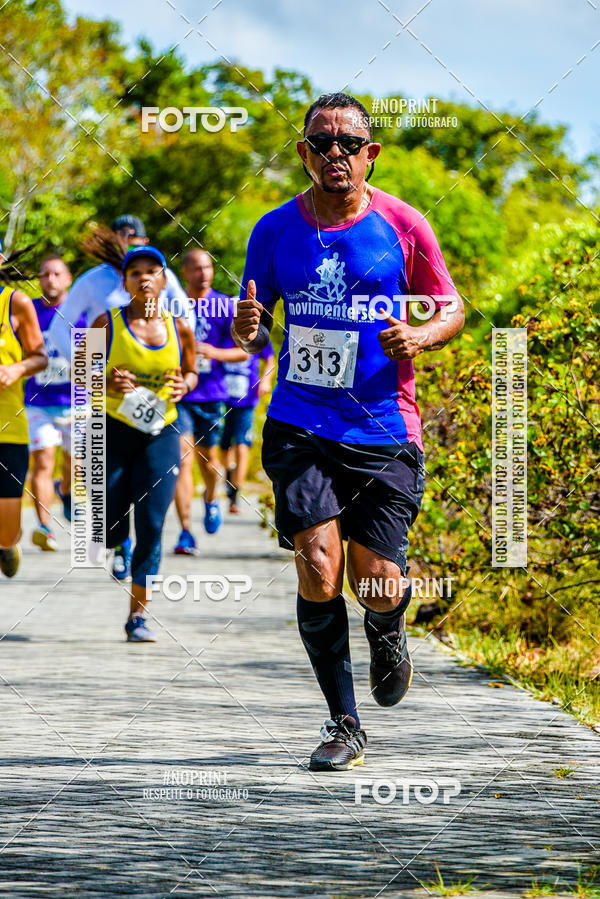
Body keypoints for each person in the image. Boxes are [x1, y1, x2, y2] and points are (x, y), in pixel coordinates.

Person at [232, 92, 464, 770]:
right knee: (318, 563)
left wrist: (421, 333)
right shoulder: (272, 230)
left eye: (348, 142)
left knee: (378, 580)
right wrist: (248, 332)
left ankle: (388, 629)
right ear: (303, 154)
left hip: (384, 424)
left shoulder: (403, 223)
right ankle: (343, 723)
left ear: (370, 154)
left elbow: (449, 306)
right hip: (300, 422)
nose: (335, 152)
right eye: (321, 142)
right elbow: (252, 320)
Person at [90, 246, 196, 641]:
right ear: (125, 282)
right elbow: (80, 375)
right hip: (114, 430)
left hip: (161, 434)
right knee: (110, 526)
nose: (145, 278)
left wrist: (185, 384)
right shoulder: (107, 322)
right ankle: (118, 543)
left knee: (152, 525)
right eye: (135, 272)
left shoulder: (180, 327)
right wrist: (105, 382)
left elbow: (191, 373)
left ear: (165, 280)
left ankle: (137, 616)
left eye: (153, 270)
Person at [172, 249, 248, 553]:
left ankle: (211, 498)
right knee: (183, 460)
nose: (203, 273)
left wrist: (213, 352)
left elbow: (245, 351)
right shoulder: (175, 305)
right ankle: (185, 531)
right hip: (180, 393)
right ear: (185, 272)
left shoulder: (225, 305)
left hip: (212, 394)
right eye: (196, 268)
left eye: (207, 267)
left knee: (208, 460)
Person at [48, 215, 190, 359]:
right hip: (109, 374)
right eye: (119, 246)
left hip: (158, 366)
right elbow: (58, 329)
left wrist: (178, 362)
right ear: (124, 284)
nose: (125, 252)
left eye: (133, 246)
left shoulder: (164, 275)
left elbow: (187, 315)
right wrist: (92, 374)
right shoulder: (97, 301)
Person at [25, 256, 82, 551]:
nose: (51, 279)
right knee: (43, 461)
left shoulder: (81, 312)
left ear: (69, 278)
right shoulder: (29, 310)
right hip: (38, 401)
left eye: (57, 273)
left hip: (76, 402)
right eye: (45, 274)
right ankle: (44, 527)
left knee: (75, 463)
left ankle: (67, 490)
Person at [0, 249, 48, 577]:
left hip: (9, 429)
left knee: (7, 524)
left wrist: (16, 369)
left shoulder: (16, 303)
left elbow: (40, 357)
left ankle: (6, 543)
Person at [219, 340, 275, 513]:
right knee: (223, 447)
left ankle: (234, 495)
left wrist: (265, 380)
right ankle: (229, 475)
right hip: (222, 399)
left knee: (242, 446)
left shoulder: (255, 332)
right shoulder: (224, 329)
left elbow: (271, 361)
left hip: (247, 400)